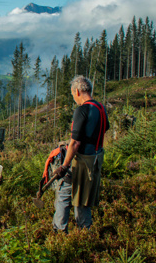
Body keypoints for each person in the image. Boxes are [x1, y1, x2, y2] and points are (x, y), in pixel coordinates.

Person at [51, 75, 109, 232]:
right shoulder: (101, 108)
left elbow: (75, 143)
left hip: (81, 161)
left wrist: (64, 166)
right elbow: (104, 128)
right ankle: (85, 232)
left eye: (72, 94)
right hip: (95, 160)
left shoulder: (82, 110)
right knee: (83, 198)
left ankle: (59, 230)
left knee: (63, 191)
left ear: (77, 91)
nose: (74, 98)